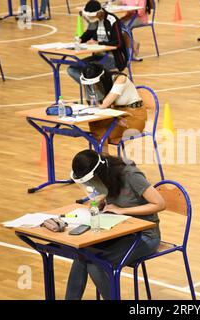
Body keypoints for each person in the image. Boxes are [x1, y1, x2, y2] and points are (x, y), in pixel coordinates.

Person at [65, 150, 165, 300]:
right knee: (81, 255)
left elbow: (160, 203)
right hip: (120, 233)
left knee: (96, 263)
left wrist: (122, 211)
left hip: (145, 237)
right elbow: (116, 197)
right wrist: (102, 202)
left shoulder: (131, 175)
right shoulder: (107, 177)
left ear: (98, 173)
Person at [80, 62, 147, 153]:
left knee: (99, 132)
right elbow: (95, 105)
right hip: (118, 115)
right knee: (95, 124)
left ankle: (104, 159)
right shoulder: (104, 83)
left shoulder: (120, 79)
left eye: (94, 85)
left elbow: (103, 105)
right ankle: (104, 159)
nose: (93, 88)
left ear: (102, 78)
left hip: (134, 116)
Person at [67, 0, 128, 84]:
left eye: (92, 16)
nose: (90, 19)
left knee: (91, 72)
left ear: (99, 13)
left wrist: (98, 43)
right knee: (72, 69)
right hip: (98, 57)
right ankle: (94, 88)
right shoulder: (94, 21)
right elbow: (88, 33)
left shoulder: (112, 20)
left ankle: (98, 89)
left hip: (113, 58)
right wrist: (80, 40)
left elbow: (118, 43)